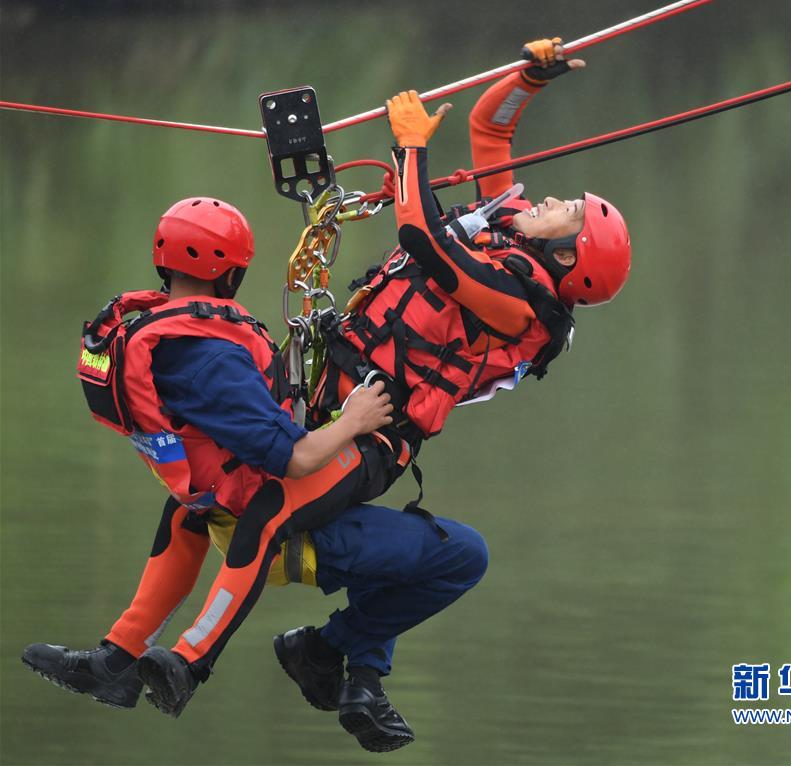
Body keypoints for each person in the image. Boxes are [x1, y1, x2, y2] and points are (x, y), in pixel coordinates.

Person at [23, 37, 631, 753]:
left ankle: (187, 666)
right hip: (321, 398)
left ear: (567, 257)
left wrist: (407, 148)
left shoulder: (519, 307)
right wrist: (531, 77)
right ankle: (115, 661)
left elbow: (422, 237)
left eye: (570, 212)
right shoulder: (505, 232)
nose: (553, 198)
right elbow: (491, 130)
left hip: (368, 436)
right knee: (194, 499)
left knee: (268, 512)